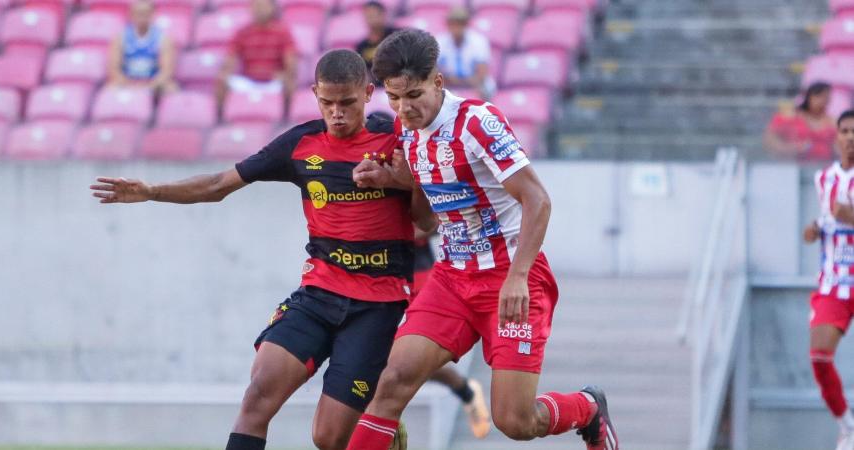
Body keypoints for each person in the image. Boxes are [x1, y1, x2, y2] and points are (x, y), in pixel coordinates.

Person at [91, 49, 433, 450]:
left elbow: (427, 222)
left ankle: (386, 434)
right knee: (258, 395)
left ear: (368, 93)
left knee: (327, 437)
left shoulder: (400, 141)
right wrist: (153, 192)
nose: (337, 113)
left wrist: (405, 182)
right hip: (319, 294)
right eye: (327, 103)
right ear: (314, 95)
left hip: (377, 304)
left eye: (347, 103)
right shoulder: (301, 144)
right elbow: (220, 184)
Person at [345, 29, 618, 450]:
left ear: (437, 81)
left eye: (413, 95)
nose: (404, 108)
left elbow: (538, 200)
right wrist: (399, 182)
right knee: (392, 381)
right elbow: (427, 222)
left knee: (514, 421)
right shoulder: (407, 133)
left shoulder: (476, 122)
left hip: (511, 278)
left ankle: (587, 408)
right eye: (394, 98)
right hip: (452, 279)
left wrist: (518, 277)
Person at [803, 109, 854, 450]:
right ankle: (848, 427)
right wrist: (812, 229)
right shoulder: (825, 180)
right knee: (820, 358)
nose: (850, 137)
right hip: (835, 282)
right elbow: (824, 223)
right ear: (836, 137)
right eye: (845, 131)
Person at [412, 227, 491, 439]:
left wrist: (401, 231)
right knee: (384, 362)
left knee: (416, 360)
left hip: (417, 271)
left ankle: (465, 390)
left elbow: (439, 220)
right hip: (373, 271)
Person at [217, 0, 298, 113]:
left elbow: (291, 60)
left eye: (263, 5)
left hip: (273, 82)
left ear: (272, 8)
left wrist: (285, 74)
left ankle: (286, 120)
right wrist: (226, 71)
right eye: (256, 5)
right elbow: (231, 57)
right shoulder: (243, 32)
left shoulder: (282, 32)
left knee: (289, 82)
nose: (259, 9)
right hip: (248, 80)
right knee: (222, 80)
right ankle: (220, 120)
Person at [107, 0, 178, 95]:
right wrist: (128, 84)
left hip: (153, 82)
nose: (142, 17)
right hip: (128, 81)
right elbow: (114, 68)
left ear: (153, 15)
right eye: (139, 13)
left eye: (146, 13)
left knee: (171, 89)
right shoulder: (120, 38)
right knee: (110, 89)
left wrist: (151, 85)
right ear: (131, 15)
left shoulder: (163, 38)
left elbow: (166, 70)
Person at [765, 82, 837, 160]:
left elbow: (837, 146)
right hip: (794, 164)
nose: (823, 101)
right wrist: (787, 149)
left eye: (826, 98)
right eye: (819, 96)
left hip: (823, 164)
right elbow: (770, 138)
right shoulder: (790, 116)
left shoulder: (832, 122)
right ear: (809, 97)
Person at [435, 7, 494, 100]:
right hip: (448, 83)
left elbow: (482, 73)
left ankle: (484, 112)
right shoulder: (440, 41)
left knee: (487, 88)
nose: (456, 27)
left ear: (466, 24)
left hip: (474, 83)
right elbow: (435, 70)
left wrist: (462, 81)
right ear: (448, 24)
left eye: (460, 23)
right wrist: (450, 80)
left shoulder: (479, 41)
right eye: (453, 23)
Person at [355, 1, 398, 86]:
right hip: (375, 88)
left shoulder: (397, 37)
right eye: (368, 16)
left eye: (374, 15)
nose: (371, 19)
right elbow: (363, 71)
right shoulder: (361, 46)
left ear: (383, 15)